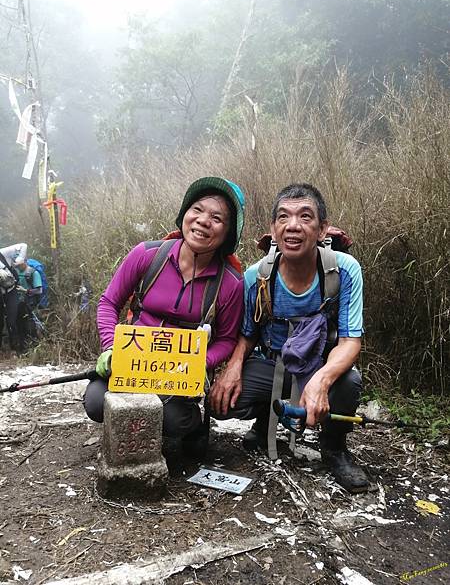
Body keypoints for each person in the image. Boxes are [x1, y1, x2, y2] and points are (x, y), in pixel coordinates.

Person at [209, 183, 369, 493]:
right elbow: (247, 334)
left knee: (348, 382)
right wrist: (231, 369)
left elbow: (350, 341)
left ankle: (335, 449)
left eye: (305, 216)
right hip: (272, 364)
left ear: (322, 229)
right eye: (283, 217)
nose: (292, 226)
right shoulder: (257, 277)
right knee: (222, 405)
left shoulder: (343, 271)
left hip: (318, 365)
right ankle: (264, 422)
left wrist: (321, 381)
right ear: (273, 227)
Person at [84, 177, 245, 459]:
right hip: (132, 361)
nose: (203, 221)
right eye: (197, 209)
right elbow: (109, 302)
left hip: (179, 375)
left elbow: (227, 339)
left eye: (217, 218)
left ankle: (195, 425)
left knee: (175, 422)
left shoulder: (230, 283)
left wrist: (197, 363)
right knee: (96, 403)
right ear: (184, 214)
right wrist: (111, 348)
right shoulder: (147, 255)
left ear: (228, 233)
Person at [0, 243, 27, 353]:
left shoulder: (3, 252)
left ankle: (16, 349)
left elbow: (23, 245)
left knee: (12, 320)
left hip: (11, 291)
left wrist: (20, 259)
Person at [15, 258, 44, 347]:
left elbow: (39, 290)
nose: (18, 267)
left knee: (31, 325)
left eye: (20, 265)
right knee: (20, 325)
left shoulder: (33, 273)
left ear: (25, 262)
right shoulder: (16, 273)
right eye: (17, 265)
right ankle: (22, 346)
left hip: (31, 304)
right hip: (19, 304)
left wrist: (26, 290)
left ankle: (36, 344)